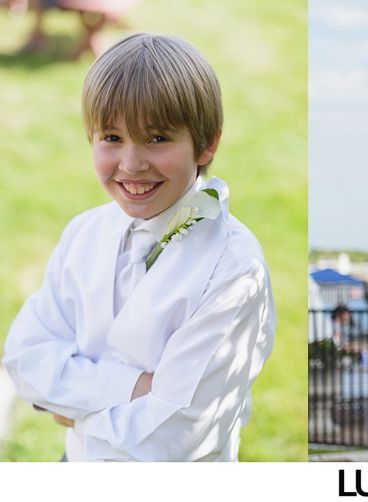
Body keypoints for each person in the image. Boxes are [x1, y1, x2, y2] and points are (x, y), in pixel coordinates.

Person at [2, 33, 275, 461]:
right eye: (112, 137)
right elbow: (25, 357)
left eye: (157, 138)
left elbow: (179, 436)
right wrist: (132, 388)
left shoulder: (233, 270)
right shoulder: (84, 233)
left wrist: (73, 411)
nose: (131, 164)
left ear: (207, 143)